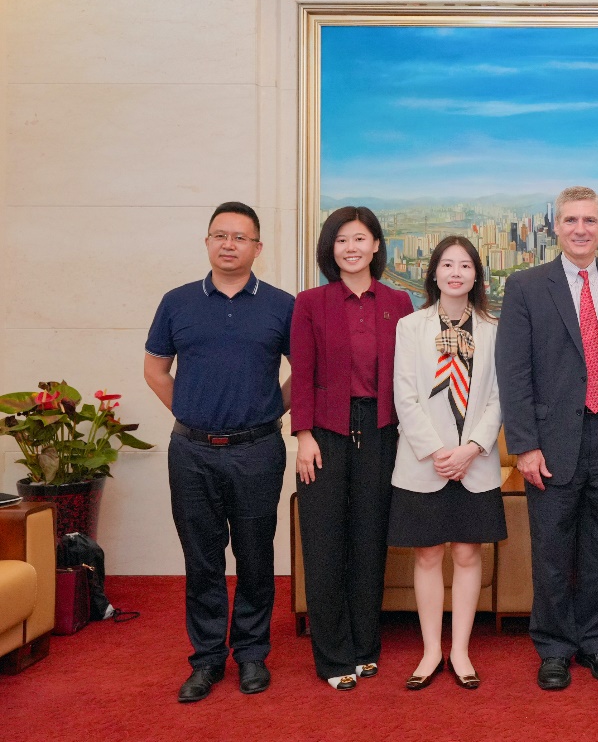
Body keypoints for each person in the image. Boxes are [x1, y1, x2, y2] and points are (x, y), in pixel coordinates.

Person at [496, 187, 598, 691]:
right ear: (556, 227)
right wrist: (524, 445)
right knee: (551, 549)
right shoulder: (525, 286)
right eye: (570, 220)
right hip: (550, 442)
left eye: (589, 220)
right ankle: (553, 648)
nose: (580, 229)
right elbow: (513, 372)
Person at [143, 201, 294, 703]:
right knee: (202, 559)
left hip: (258, 450)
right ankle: (207, 659)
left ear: (258, 248)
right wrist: (191, 411)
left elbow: (305, 372)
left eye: (240, 237)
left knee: (255, 555)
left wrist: (270, 410)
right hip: (192, 452)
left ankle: (251, 654)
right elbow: (155, 370)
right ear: (207, 242)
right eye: (220, 235)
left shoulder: (282, 305)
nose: (229, 244)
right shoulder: (177, 302)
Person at [289, 206, 413, 690]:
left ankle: (365, 646)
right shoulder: (311, 302)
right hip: (324, 434)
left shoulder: (398, 302)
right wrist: (303, 436)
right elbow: (302, 373)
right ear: (331, 248)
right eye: (341, 240)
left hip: (382, 432)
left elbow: (410, 374)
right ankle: (333, 656)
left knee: (369, 542)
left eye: (360, 238)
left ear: (377, 245)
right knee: (324, 544)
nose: (351, 248)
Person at [389, 236, 505, 691]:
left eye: (465, 266)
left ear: (477, 275)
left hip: (475, 462)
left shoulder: (494, 328)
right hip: (425, 462)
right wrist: (438, 451)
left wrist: (471, 448)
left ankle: (460, 650)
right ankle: (430, 651)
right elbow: (404, 395)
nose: (456, 273)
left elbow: (500, 397)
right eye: (447, 265)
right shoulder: (410, 326)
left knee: (468, 553)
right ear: (434, 272)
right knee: (428, 554)